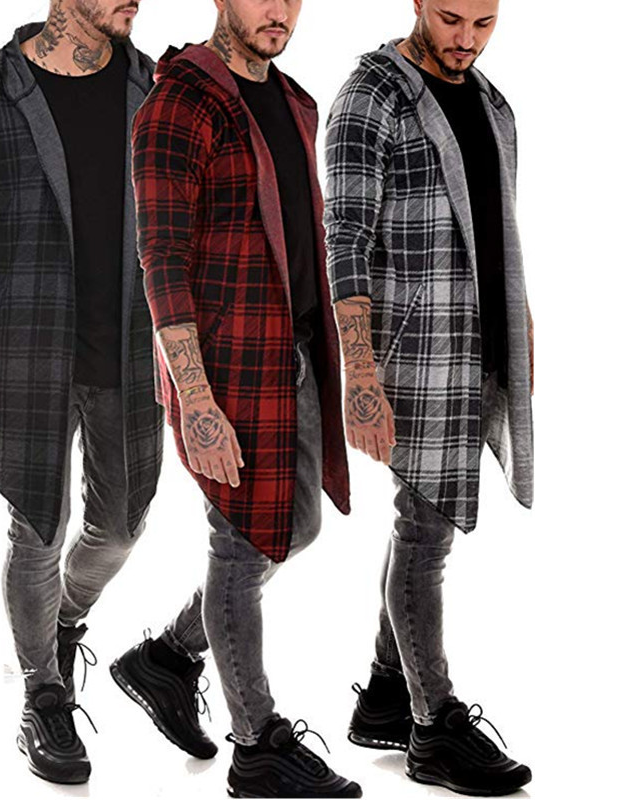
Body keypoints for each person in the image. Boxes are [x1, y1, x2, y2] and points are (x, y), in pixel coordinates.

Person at [111, 1, 361, 797]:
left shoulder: (293, 100)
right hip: (226, 367)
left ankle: (168, 656)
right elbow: (160, 258)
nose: (278, 10)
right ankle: (256, 743)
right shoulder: (178, 103)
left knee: (293, 527)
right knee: (240, 544)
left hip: (294, 353)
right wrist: (196, 399)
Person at [0, 0, 162, 784]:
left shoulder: (153, 88)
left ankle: (62, 621)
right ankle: (43, 693)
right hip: (30, 351)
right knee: (38, 526)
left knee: (122, 524)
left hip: (130, 347)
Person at [324, 0, 533, 795]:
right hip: (413, 352)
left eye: (484, 22)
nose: (466, 39)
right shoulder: (371, 93)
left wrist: (522, 328)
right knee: (425, 527)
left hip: (477, 343)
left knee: (427, 516)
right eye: (451, 18)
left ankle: (386, 692)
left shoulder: (492, 103)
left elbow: (499, 228)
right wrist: (360, 373)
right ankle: (434, 725)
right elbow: (344, 236)